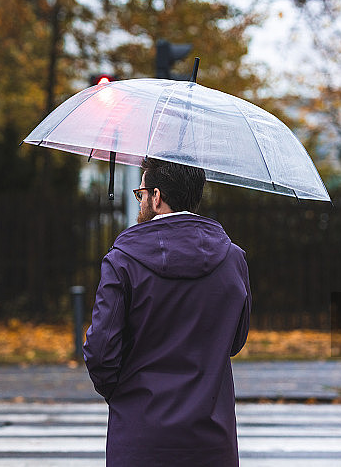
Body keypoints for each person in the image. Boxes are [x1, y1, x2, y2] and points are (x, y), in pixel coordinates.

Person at [83, 157, 252, 467]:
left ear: (157, 197)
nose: (141, 202)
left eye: (141, 194)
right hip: (211, 438)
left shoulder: (123, 260)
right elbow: (235, 340)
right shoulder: (232, 258)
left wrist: (125, 397)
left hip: (140, 437)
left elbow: (100, 352)